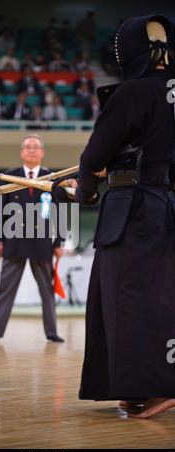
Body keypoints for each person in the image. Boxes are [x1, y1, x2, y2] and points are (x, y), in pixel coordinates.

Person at [52, 15, 175, 418]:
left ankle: (156, 386)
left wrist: (84, 188)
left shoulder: (132, 93)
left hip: (134, 211)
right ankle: (134, 383)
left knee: (126, 298)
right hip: (167, 206)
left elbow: (93, 156)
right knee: (160, 296)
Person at [0, 134, 65, 343]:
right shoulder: (9, 176)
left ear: (42, 152)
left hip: (42, 243)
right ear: (22, 152)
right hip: (13, 242)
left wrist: (58, 242)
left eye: (36, 147)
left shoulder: (53, 179)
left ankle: (52, 332)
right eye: (28, 147)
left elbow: (60, 213)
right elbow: (1, 211)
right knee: (5, 291)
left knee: (47, 291)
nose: (32, 150)